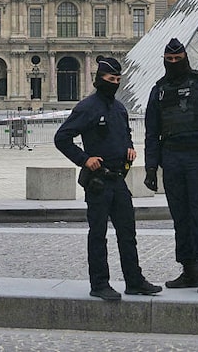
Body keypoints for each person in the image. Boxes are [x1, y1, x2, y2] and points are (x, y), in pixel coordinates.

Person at [54, 56, 162, 301]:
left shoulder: (120, 108)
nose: (114, 83)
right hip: (98, 181)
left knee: (128, 233)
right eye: (110, 79)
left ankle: (134, 280)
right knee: (98, 234)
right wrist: (84, 159)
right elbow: (62, 138)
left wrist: (129, 148)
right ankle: (99, 283)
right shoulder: (87, 107)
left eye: (117, 79)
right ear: (99, 79)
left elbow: (125, 134)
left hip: (118, 179)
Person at [144, 38, 198, 294]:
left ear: (186, 58)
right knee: (180, 216)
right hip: (172, 158)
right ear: (165, 61)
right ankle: (188, 269)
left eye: (178, 60)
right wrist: (150, 168)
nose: (174, 64)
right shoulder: (159, 90)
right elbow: (151, 132)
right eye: (170, 61)